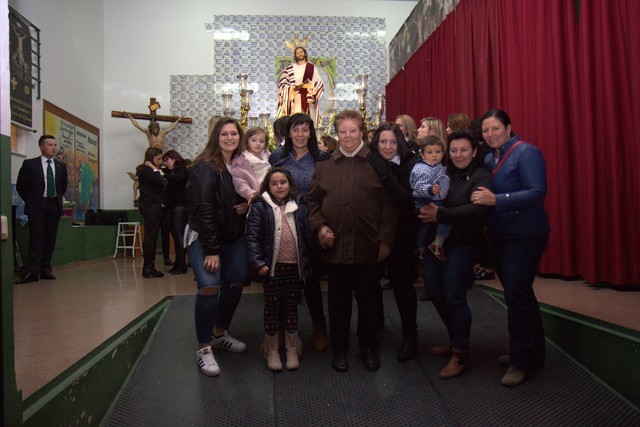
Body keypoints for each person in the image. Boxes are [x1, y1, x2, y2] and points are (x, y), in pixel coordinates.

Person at [306, 110, 397, 373]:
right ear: (337, 133)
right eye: (343, 131)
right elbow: (312, 201)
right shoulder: (324, 166)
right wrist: (319, 226)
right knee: (338, 302)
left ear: (362, 132)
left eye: (353, 130)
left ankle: (368, 348)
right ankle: (340, 349)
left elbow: (389, 205)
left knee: (369, 301)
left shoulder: (377, 164)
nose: (348, 136)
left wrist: (385, 239)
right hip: (335, 248)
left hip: (369, 246)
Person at [471, 108, 550, 387]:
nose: (490, 134)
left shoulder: (526, 152)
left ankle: (519, 362)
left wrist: (497, 200)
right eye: (485, 130)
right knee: (521, 294)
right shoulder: (490, 156)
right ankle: (533, 353)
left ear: (508, 127)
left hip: (526, 234)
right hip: (501, 235)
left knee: (516, 295)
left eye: (495, 128)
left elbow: (537, 192)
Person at [418, 130, 492, 379]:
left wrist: (441, 214)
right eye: (454, 150)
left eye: (464, 150)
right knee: (435, 291)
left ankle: (461, 353)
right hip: (434, 244)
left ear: (473, 151)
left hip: (463, 244)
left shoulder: (481, 175)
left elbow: (477, 212)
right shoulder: (442, 170)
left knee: (454, 294)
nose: (458, 154)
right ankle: (455, 340)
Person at [185, 117, 250, 377]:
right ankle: (203, 349)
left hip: (232, 236)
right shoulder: (205, 167)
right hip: (205, 237)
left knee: (236, 281)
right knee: (209, 285)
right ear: (216, 137)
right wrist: (211, 249)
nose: (230, 138)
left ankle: (219, 332)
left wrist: (247, 205)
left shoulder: (236, 165)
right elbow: (204, 210)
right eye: (224, 134)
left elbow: (239, 197)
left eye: (234, 134)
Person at [269, 113, 330, 352]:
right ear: (288, 133)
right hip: (283, 223)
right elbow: (271, 186)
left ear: (311, 133)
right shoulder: (278, 157)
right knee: (285, 278)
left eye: (305, 130)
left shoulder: (321, 158)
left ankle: (319, 326)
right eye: (296, 130)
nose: (300, 134)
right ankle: (285, 329)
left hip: (312, 223)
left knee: (311, 278)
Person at [246, 167, 312, 371]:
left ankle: (292, 347)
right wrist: (258, 263)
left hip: (294, 268)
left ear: (290, 184)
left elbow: (307, 234)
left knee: (291, 307)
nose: (279, 186)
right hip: (271, 269)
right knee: (272, 308)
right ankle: (272, 348)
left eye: (283, 182)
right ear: (268, 186)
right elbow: (252, 238)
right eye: (274, 183)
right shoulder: (260, 207)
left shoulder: (299, 205)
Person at [368, 122, 420, 362]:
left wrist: (386, 175)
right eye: (383, 142)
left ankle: (410, 335)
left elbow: (406, 202)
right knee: (371, 285)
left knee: (403, 287)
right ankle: (376, 326)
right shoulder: (369, 163)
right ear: (376, 144)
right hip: (373, 234)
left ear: (400, 143)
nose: (388, 147)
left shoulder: (411, 166)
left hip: (402, 235)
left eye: (392, 142)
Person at [15, 135, 68, 284]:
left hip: (53, 206)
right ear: (41, 147)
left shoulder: (60, 166)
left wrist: (54, 199)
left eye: (55, 145)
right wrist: (32, 202)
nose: (53, 147)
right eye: (50, 145)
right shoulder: (30, 164)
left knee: (49, 239)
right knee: (36, 239)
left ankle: (46, 270)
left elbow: (62, 187)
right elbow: (21, 186)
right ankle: (32, 272)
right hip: (37, 206)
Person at [410, 136, 451, 260]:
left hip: (434, 198)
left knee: (425, 226)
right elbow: (417, 187)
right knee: (446, 217)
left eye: (438, 152)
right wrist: (430, 189)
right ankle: (436, 244)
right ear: (422, 155)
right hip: (425, 200)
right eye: (430, 152)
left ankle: (421, 247)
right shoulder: (422, 169)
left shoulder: (437, 166)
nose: (434, 155)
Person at [136, 147, 166, 278]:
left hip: (154, 206)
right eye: (158, 159)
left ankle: (150, 266)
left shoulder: (152, 170)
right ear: (150, 158)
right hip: (150, 206)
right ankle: (148, 268)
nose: (160, 161)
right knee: (150, 237)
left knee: (152, 238)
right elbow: (160, 181)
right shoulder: (145, 170)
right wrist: (155, 170)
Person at [277, 46, 324, 126]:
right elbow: (282, 84)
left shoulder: (311, 68)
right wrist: (290, 89)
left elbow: (319, 82)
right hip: (294, 99)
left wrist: (311, 86)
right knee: (295, 122)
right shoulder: (289, 68)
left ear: (305, 53)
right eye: (297, 53)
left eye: (301, 52)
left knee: (308, 122)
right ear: (295, 56)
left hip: (308, 98)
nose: (300, 54)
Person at [162, 149, 189, 274]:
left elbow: (176, 179)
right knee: (176, 235)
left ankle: (181, 264)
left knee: (179, 236)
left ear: (174, 159)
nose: (166, 163)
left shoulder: (182, 169)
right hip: (173, 206)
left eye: (167, 160)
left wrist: (163, 174)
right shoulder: (172, 171)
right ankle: (178, 263)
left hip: (180, 206)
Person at [230, 127, 271, 204]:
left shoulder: (268, 156)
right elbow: (239, 182)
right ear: (247, 142)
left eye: (261, 141)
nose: (258, 144)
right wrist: (251, 194)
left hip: (270, 193)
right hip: (255, 196)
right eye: (254, 140)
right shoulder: (242, 160)